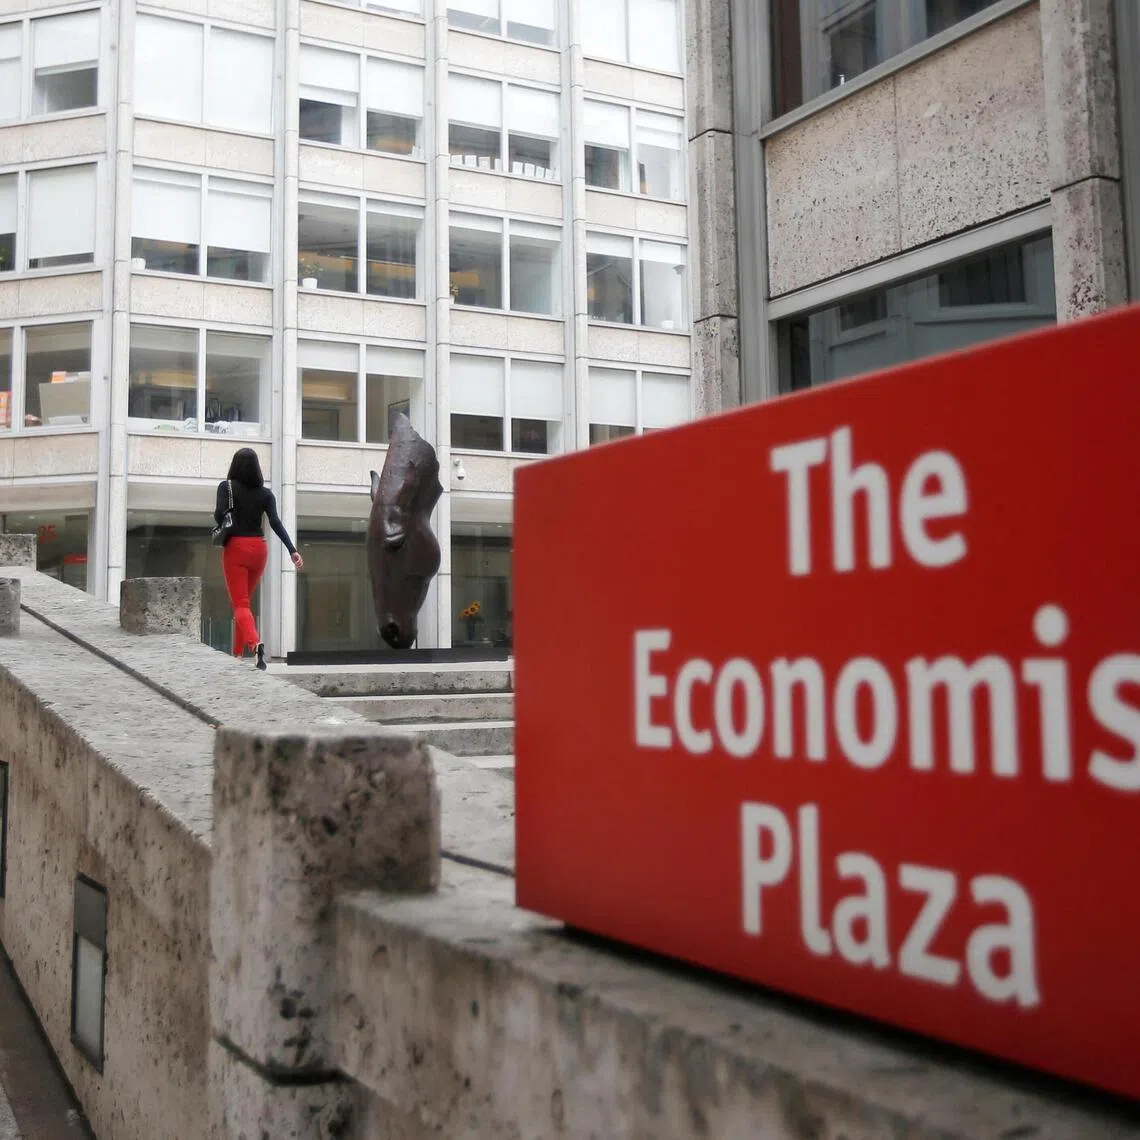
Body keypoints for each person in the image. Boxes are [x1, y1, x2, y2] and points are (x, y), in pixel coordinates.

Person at [215, 448, 303, 670]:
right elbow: (275, 522)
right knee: (242, 605)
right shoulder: (266, 494)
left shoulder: (227, 487)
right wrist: (292, 550)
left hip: (236, 547)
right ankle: (236, 654)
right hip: (259, 550)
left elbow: (218, 514)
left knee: (240, 604)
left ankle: (255, 644)